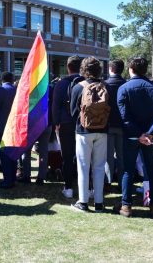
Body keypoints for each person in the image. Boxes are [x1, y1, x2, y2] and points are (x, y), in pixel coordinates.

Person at [116, 57, 153, 218]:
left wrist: (140, 134)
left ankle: (126, 205)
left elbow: (124, 116)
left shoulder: (124, 88)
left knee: (128, 170)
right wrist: (149, 134)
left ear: (130, 68)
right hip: (147, 136)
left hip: (133, 135)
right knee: (152, 169)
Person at [70, 57, 110, 212]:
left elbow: (73, 112)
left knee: (83, 166)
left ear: (83, 69)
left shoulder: (78, 87)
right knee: (99, 167)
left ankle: (83, 202)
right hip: (102, 130)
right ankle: (99, 203)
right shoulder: (105, 86)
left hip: (83, 131)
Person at [52, 55, 84, 198]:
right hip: (84, 124)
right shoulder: (86, 83)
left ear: (67, 67)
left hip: (65, 124)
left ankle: (68, 187)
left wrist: (56, 123)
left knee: (67, 156)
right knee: (84, 157)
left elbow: (55, 106)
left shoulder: (61, 84)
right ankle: (88, 188)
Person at [0, 72, 17, 189]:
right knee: (13, 154)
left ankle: (7, 180)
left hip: (2, 127)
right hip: (16, 127)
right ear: (12, 80)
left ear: (1, 79)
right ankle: (12, 178)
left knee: (4, 154)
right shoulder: (17, 90)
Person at [104, 59, 126, 189]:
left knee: (108, 156)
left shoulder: (105, 84)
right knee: (121, 156)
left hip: (107, 124)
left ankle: (108, 181)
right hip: (122, 125)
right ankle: (122, 182)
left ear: (110, 69)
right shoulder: (126, 84)